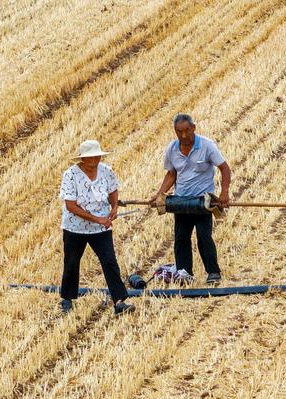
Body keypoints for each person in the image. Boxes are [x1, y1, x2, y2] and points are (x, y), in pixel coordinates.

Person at [149, 113, 231, 284]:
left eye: (187, 130)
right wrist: (159, 194)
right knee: (181, 238)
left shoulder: (207, 146)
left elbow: (224, 168)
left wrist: (224, 192)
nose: (184, 135)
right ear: (175, 131)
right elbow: (171, 174)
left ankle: (213, 272)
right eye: (179, 132)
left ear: (194, 128)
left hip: (203, 202)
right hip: (181, 202)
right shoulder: (172, 149)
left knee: (204, 236)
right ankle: (184, 273)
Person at [59, 140, 135, 314]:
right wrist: (97, 219)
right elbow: (71, 206)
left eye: (97, 156)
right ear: (82, 159)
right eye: (90, 157)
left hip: (101, 228)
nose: (94, 159)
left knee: (109, 262)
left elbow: (113, 191)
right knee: (71, 262)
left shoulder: (106, 171)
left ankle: (119, 301)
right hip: (75, 227)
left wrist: (114, 207)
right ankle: (67, 299)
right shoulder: (70, 175)